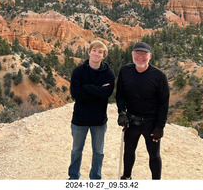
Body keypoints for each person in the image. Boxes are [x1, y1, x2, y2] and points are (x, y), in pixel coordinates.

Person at [116, 42, 169, 180]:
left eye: (144, 54)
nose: (140, 57)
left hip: (151, 123)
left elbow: (164, 103)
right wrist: (121, 113)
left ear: (150, 56)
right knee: (128, 152)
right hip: (131, 120)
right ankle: (127, 177)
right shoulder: (125, 71)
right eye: (137, 53)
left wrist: (160, 127)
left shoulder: (159, 76)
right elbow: (120, 94)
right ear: (132, 55)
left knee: (154, 155)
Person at [68, 40, 115, 180]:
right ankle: (73, 177)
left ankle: (95, 178)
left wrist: (86, 87)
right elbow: (76, 95)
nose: (96, 54)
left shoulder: (108, 73)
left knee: (98, 152)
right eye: (94, 50)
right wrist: (98, 90)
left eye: (100, 52)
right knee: (76, 151)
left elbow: (107, 93)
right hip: (79, 119)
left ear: (103, 55)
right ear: (89, 52)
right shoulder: (78, 71)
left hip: (99, 120)